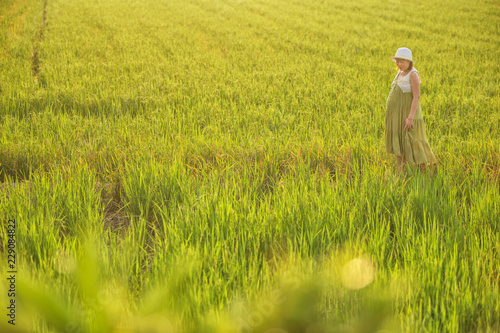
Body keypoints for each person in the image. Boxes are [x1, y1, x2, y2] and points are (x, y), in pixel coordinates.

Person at [385, 47, 436, 173]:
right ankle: (401, 172)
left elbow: (416, 96)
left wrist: (410, 118)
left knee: (413, 141)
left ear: (409, 62)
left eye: (402, 61)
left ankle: (425, 173)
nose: (399, 64)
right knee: (399, 143)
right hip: (397, 115)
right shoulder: (400, 72)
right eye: (397, 61)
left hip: (408, 115)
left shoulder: (413, 74)